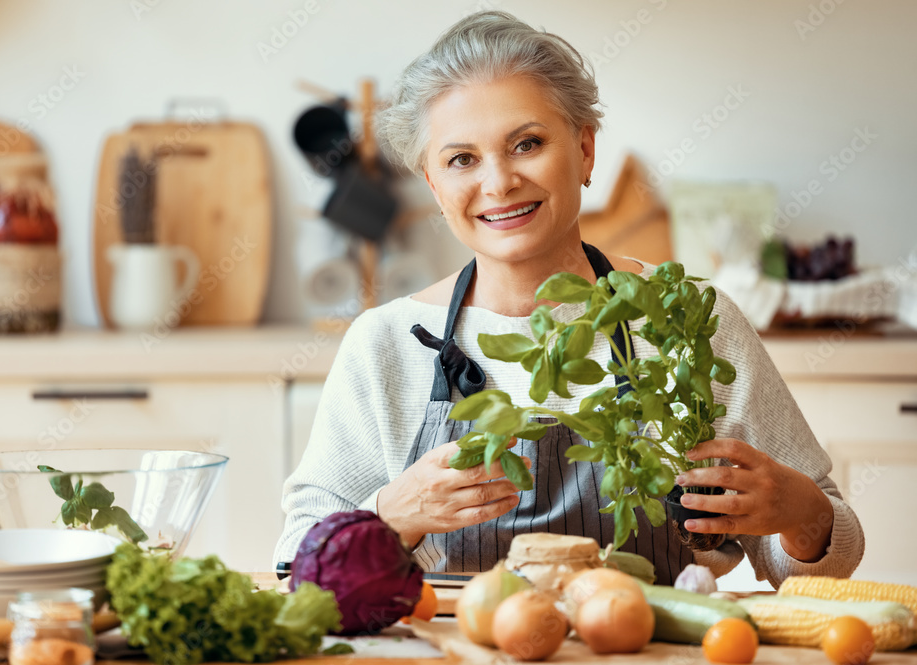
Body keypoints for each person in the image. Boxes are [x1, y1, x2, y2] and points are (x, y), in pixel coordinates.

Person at [274, 10, 863, 587]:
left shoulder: (688, 322)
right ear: (433, 183)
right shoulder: (385, 343)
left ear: (584, 149)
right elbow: (298, 560)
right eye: (461, 159)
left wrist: (799, 511)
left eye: (527, 143)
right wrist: (389, 514)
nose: (499, 182)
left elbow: (834, 555)